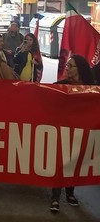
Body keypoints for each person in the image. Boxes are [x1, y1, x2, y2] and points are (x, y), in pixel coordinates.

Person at [50, 54, 94, 212]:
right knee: (61, 162)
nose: (67, 69)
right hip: (63, 131)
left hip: (83, 132)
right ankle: (55, 197)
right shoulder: (59, 86)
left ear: (79, 69)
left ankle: (70, 192)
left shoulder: (92, 88)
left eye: (70, 66)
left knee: (76, 161)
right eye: (66, 66)